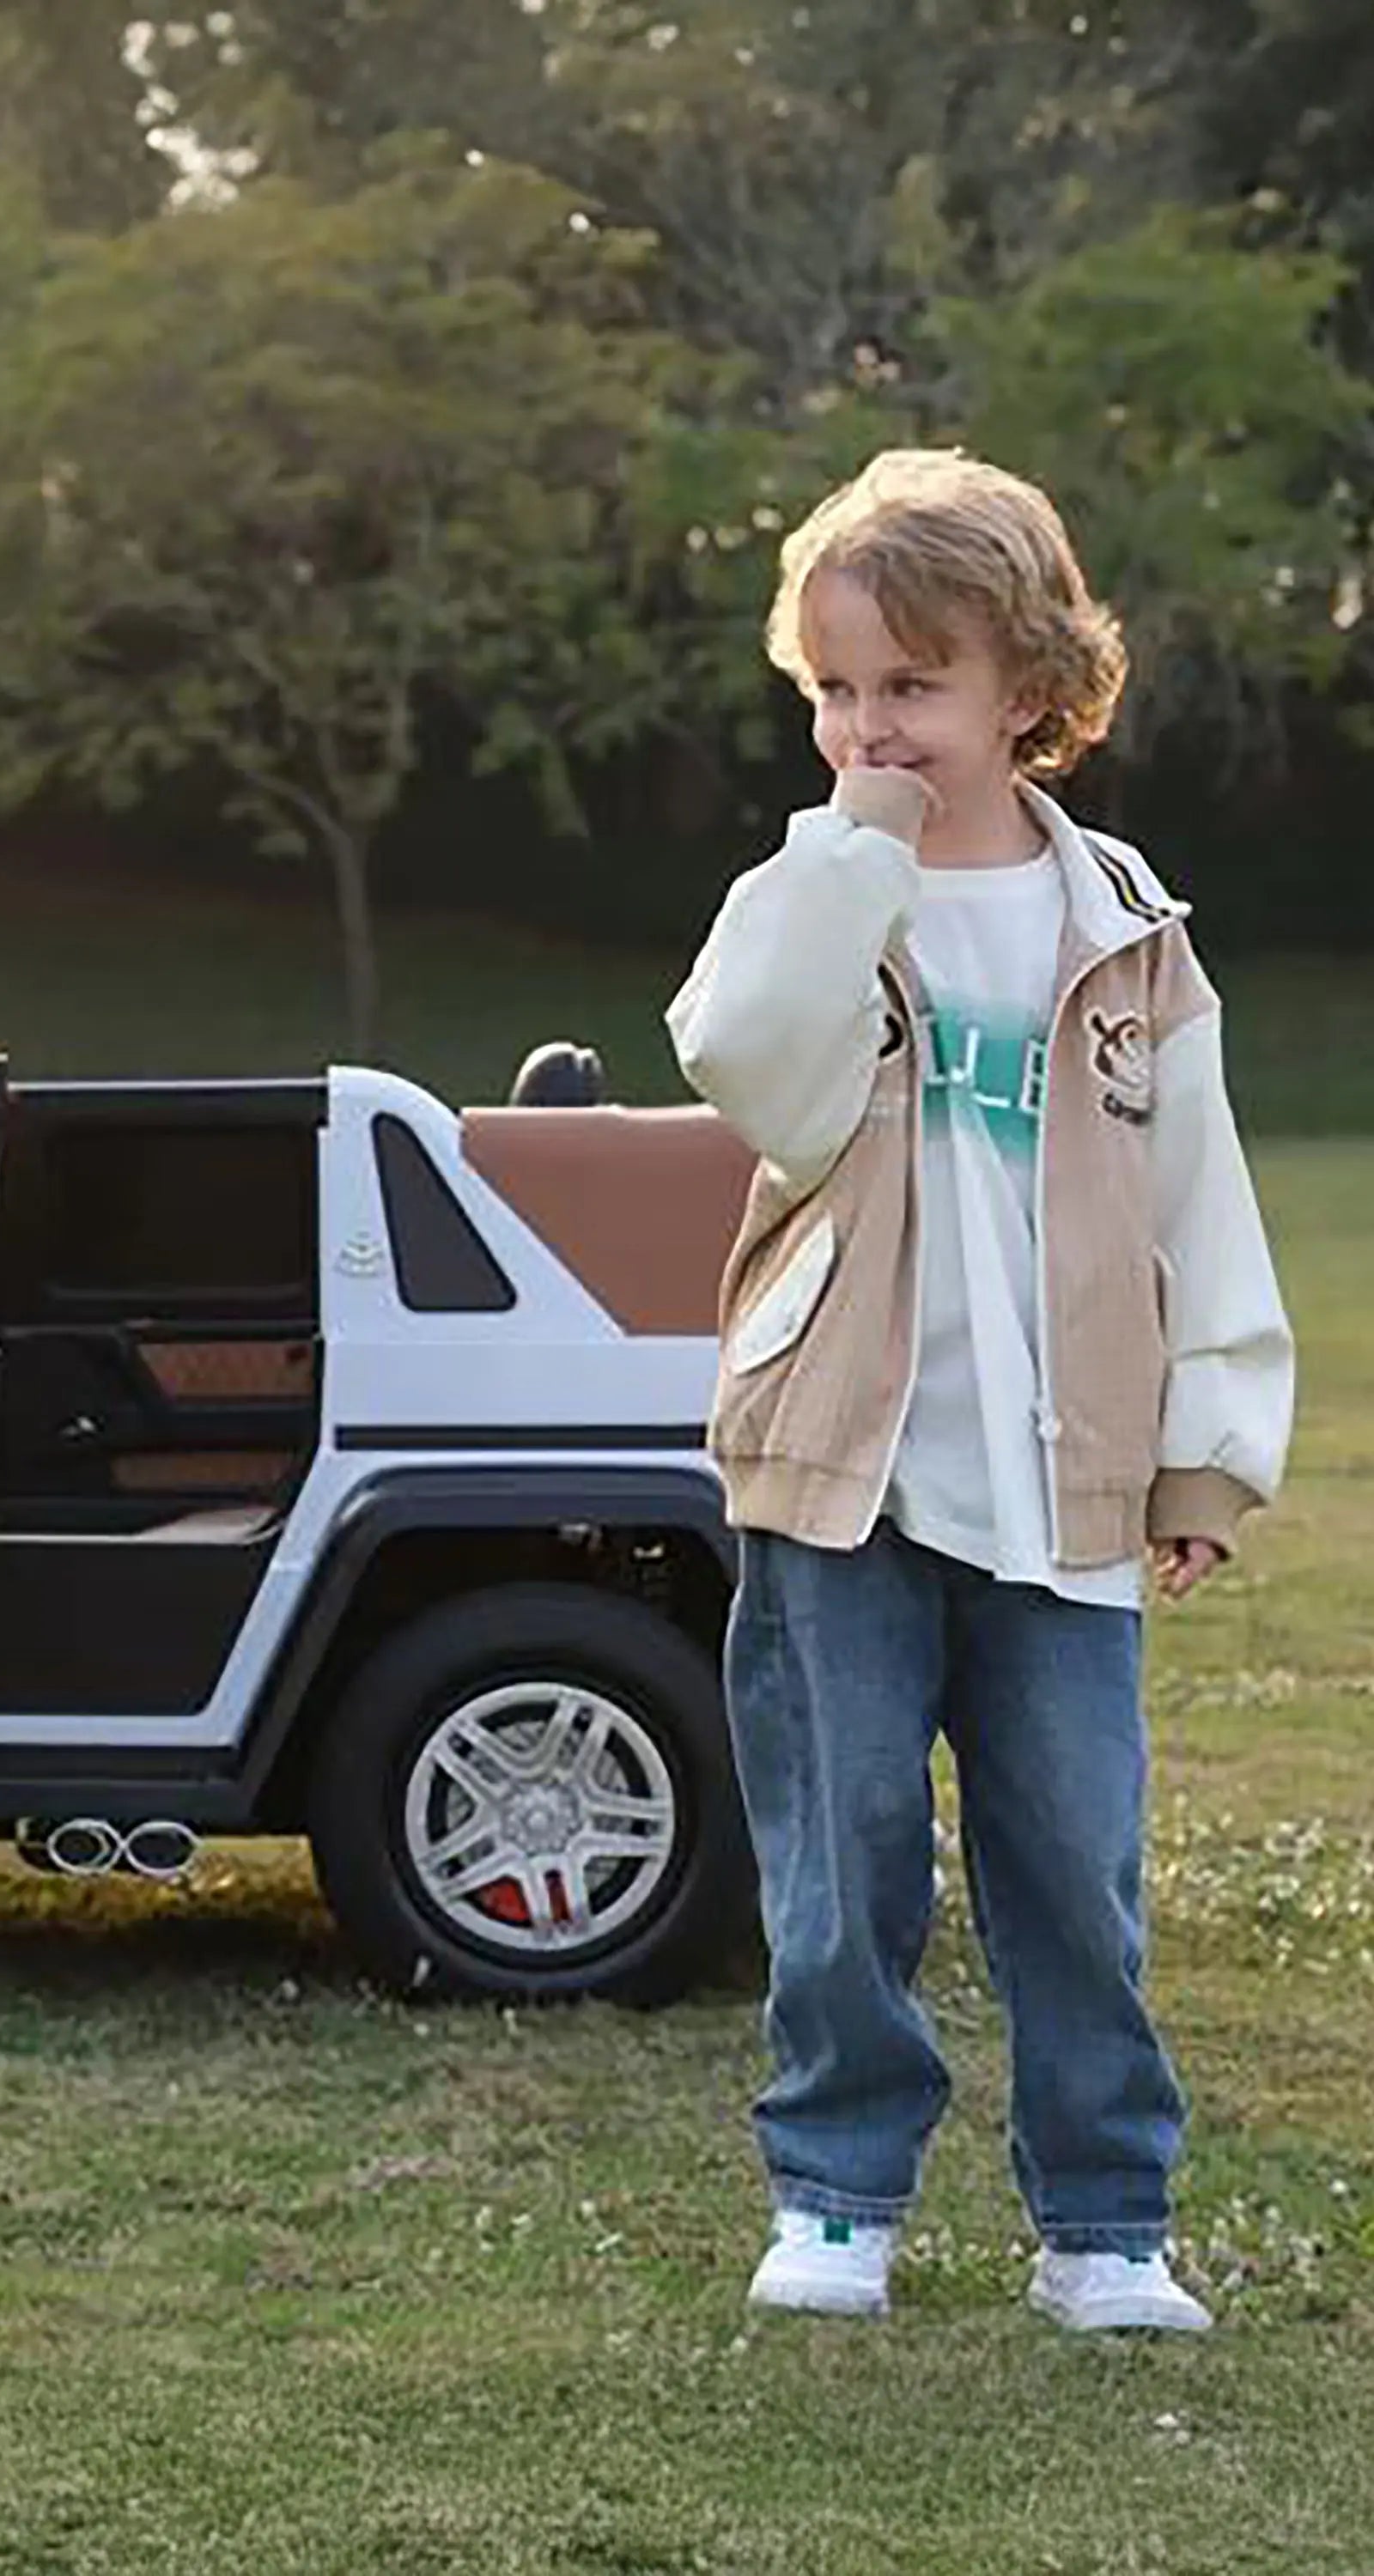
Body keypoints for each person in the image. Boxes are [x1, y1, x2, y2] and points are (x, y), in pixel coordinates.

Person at [665, 447, 1294, 2333]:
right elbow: (749, 1072)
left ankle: (1104, 2224)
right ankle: (837, 2195)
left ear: (1030, 688)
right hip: (842, 1478)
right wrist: (846, 865)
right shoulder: (813, 893)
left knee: (1073, 1872)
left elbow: (1202, 1195)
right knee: (843, 1861)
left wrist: (1207, 1453)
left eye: (910, 689)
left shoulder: (1124, 924)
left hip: (1063, 1486)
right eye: (837, 692)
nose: (869, 728)